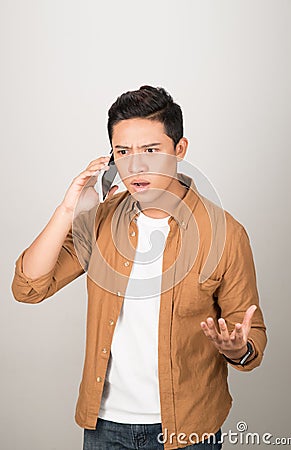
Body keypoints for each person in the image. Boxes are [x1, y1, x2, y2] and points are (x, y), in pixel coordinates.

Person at [11, 85, 267, 450]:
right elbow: (29, 288)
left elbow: (251, 334)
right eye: (123, 152)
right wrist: (69, 209)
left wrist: (236, 348)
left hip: (188, 428)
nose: (136, 165)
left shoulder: (226, 233)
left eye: (151, 150)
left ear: (179, 150)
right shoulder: (100, 221)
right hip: (105, 427)